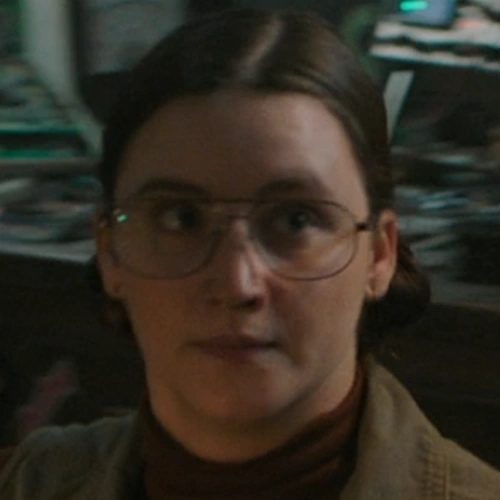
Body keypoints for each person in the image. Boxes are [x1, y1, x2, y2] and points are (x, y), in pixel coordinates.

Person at [1, 7, 499, 499]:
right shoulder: (31, 483)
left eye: (295, 220)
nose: (238, 284)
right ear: (110, 250)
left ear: (379, 255)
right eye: (181, 218)